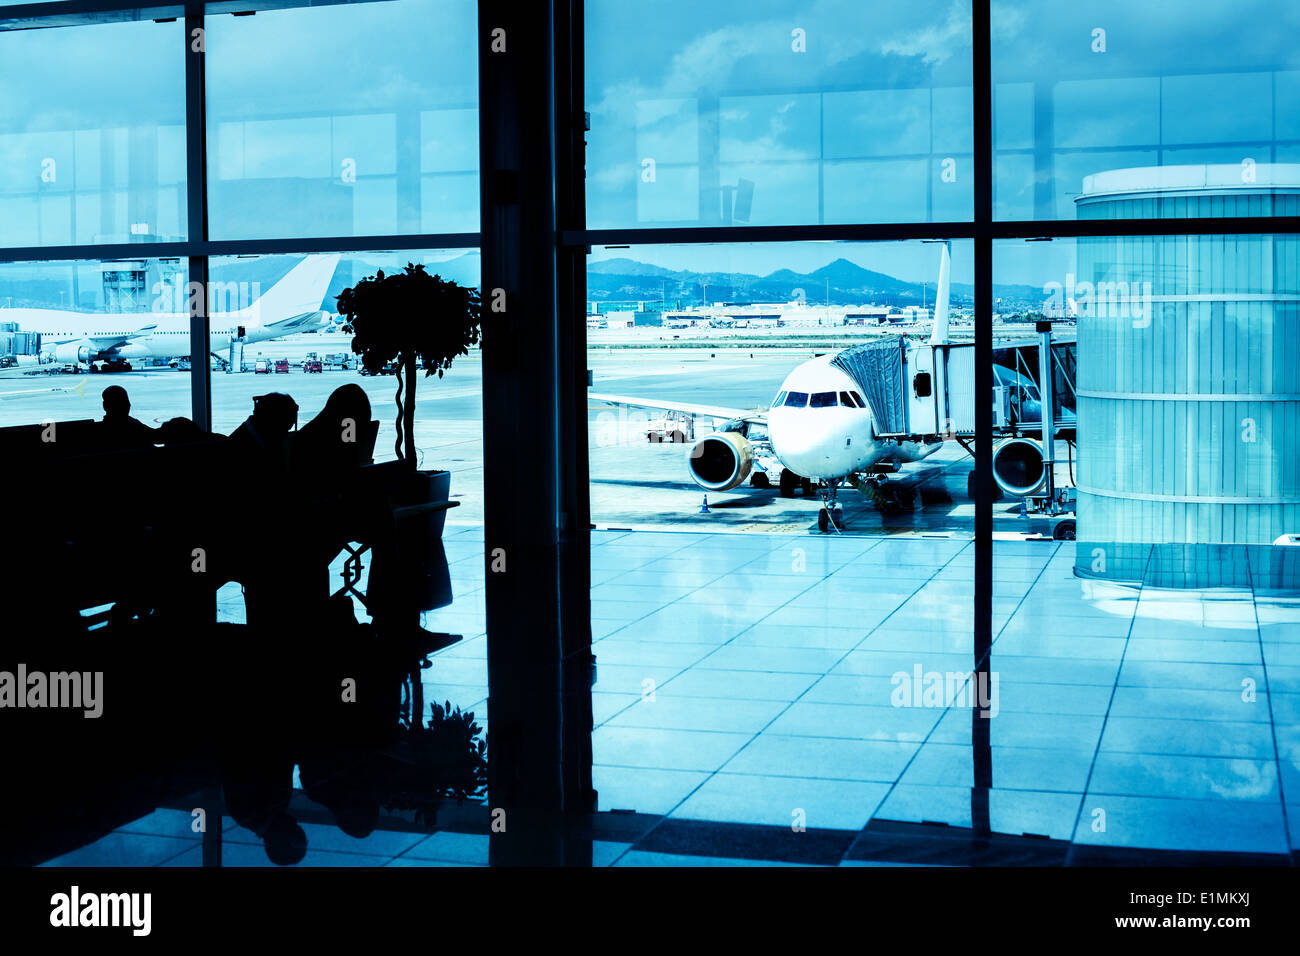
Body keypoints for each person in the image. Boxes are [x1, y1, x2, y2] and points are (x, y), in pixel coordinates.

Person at [97, 385, 157, 450]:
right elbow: (157, 437)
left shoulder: (98, 431)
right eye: (123, 402)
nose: (129, 405)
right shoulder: (133, 426)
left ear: (104, 406)